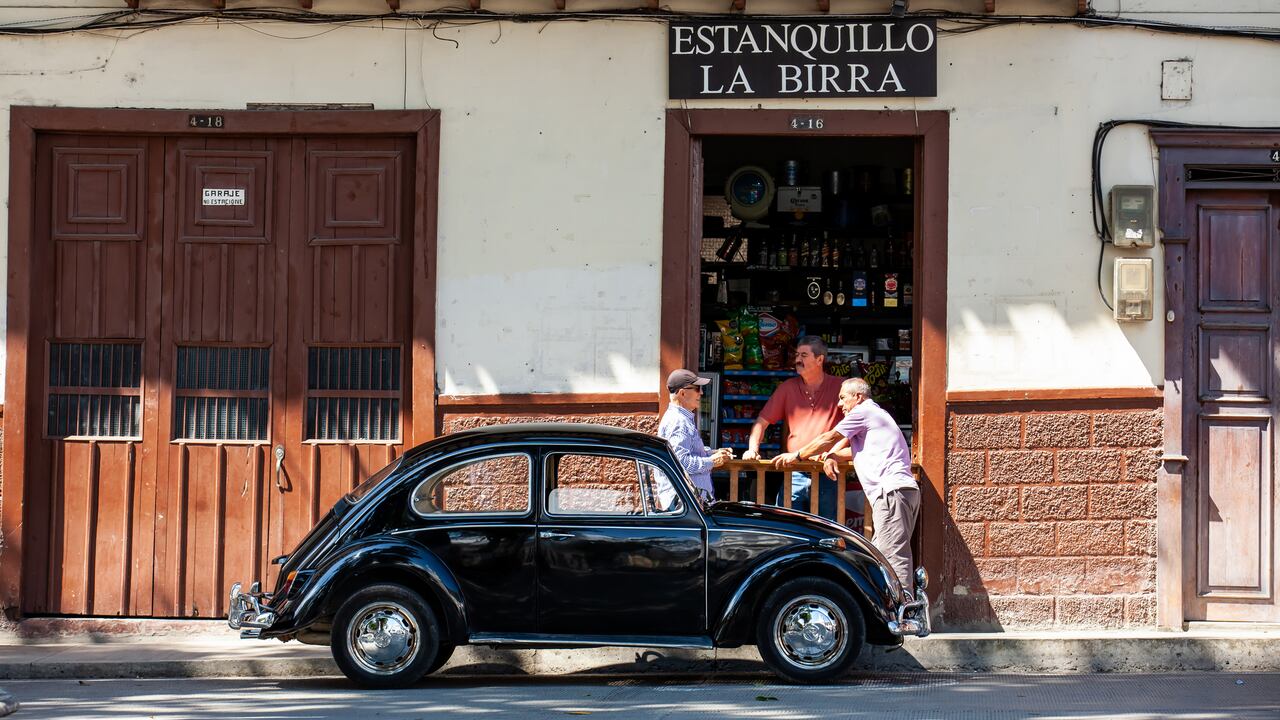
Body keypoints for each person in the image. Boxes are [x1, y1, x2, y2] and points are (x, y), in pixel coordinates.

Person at [775, 377, 920, 593]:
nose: (840, 404)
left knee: (893, 558)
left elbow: (829, 437)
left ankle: (905, 615)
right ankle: (894, 611)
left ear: (858, 397)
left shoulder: (863, 412)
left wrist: (796, 455)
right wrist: (832, 456)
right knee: (881, 556)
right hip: (898, 491)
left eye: (843, 398)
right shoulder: (876, 416)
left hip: (891, 492)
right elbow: (852, 451)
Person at [742, 336, 845, 520]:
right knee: (786, 526)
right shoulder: (787, 387)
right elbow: (761, 422)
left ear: (820, 359)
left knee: (827, 530)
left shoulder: (841, 387)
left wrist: (834, 453)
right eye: (797, 354)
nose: (798, 359)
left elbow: (853, 428)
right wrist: (752, 449)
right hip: (795, 470)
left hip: (827, 472)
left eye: (804, 355)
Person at [659, 368, 733, 503]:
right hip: (685, 502)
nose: (702, 393)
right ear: (682, 393)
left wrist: (713, 452)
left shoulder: (680, 418)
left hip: (687, 502)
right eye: (697, 389)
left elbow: (687, 450)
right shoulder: (678, 421)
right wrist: (712, 461)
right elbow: (681, 462)